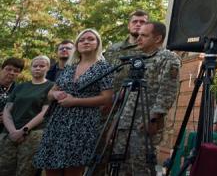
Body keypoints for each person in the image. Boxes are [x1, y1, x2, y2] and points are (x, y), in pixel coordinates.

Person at [33, 28, 114, 176]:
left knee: (73, 167)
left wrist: (75, 101)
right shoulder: (70, 67)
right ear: (77, 45)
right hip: (57, 121)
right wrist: (56, 94)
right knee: (50, 165)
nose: (86, 42)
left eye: (90, 39)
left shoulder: (104, 68)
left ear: (98, 43)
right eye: (82, 40)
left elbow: (107, 98)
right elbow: (50, 93)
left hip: (83, 123)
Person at [111, 21, 180, 175]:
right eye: (138, 35)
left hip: (144, 124)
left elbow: (167, 91)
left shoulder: (168, 58)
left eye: (144, 35)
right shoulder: (137, 59)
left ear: (157, 39)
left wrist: (154, 118)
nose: (138, 39)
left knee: (140, 167)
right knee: (120, 167)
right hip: (125, 122)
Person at [0, 56, 53, 176]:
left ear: (48, 68)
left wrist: (23, 131)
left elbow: (45, 112)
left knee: (25, 171)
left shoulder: (51, 86)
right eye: (35, 66)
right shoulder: (19, 86)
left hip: (33, 134)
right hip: (9, 133)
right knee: (4, 169)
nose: (38, 68)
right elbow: (7, 110)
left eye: (42, 66)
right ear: (30, 68)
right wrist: (13, 131)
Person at [105, 10, 148, 91]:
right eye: (134, 22)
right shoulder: (113, 49)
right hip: (112, 100)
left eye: (142, 22)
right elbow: (104, 77)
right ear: (128, 26)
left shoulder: (151, 50)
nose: (138, 24)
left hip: (138, 100)